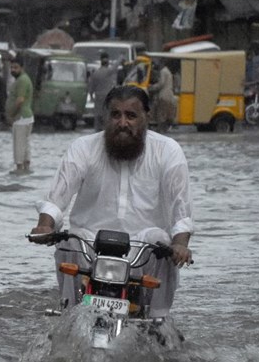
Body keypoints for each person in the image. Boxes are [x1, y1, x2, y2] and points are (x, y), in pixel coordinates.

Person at [29, 86, 194, 318]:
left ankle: (159, 321)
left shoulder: (168, 151)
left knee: (162, 241)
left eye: (131, 116)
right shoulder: (83, 148)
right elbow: (57, 197)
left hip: (142, 252)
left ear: (147, 117)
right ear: (106, 117)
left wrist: (180, 244)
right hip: (90, 247)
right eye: (116, 115)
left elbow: (181, 213)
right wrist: (45, 226)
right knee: (68, 241)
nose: (123, 123)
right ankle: (68, 315)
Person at [6, 56, 35, 173]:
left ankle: (19, 170)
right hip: (27, 118)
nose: (13, 70)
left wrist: (11, 114)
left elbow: (20, 99)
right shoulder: (23, 79)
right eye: (11, 67)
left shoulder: (22, 80)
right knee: (25, 144)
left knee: (19, 146)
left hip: (21, 118)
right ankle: (26, 168)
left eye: (16, 67)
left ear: (22, 68)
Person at [86, 51, 118, 130]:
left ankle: (97, 132)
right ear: (107, 61)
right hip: (108, 98)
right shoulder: (108, 71)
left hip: (98, 98)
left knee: (98, 118)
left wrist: (91, 97)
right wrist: (121, 57)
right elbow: (115, 66)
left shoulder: (95, 73)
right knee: (107, 117)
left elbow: (91, 88)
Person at [148, 61, 177, 133]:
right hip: (170, 95)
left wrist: (151, 87)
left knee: (161, 114)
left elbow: (161, 84)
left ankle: (160, 131)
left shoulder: (163, 72)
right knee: (167, 113)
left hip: (163, 95)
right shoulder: (168, 71)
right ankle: (165, 129)